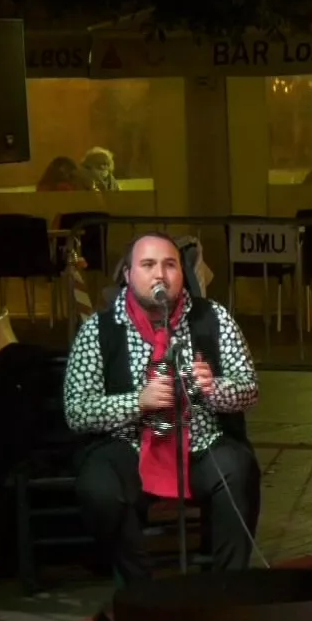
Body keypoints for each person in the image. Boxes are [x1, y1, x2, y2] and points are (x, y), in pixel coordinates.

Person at [64, 234, 262, 584]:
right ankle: (139, 588)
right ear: (128, 274)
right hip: (128, 446)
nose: (160, 275)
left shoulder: (213, 318)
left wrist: (215, 388)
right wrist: (137, 402)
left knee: (238, 471)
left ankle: (227, 588)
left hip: (201, 444)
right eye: (148, 265)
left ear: (182, 274)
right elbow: (77, 411)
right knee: (99, 489)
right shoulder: (99, 329)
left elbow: (250, 389)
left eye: (170, 265)